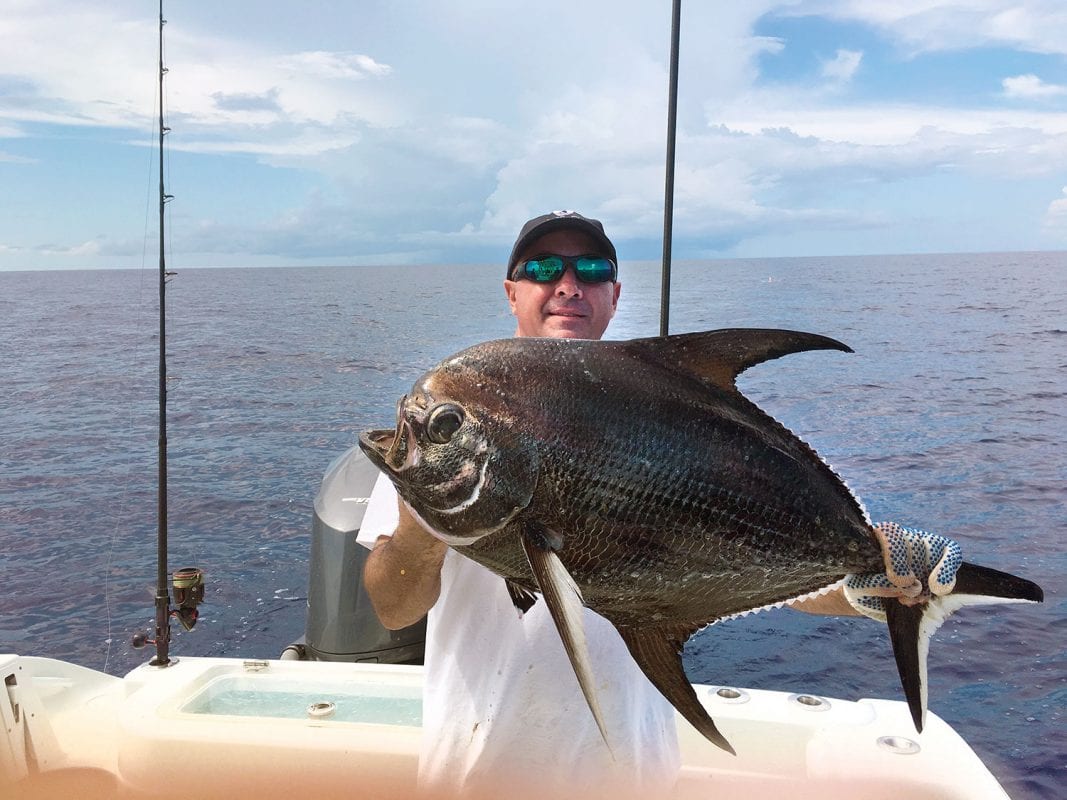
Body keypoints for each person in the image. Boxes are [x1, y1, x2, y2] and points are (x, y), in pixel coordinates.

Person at [361, 211, 960, 800]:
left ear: (614, 295)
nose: (568, 284)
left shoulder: (652, 410)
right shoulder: (452, 428)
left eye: (591, 269)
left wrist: (870, 587)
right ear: (512, 291)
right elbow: (393, 610)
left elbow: (740, 560)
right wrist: (419, 530)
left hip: (634, 778)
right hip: (473, 779)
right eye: (544, 267)